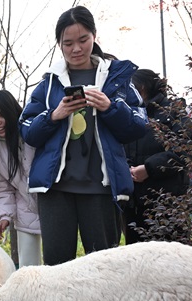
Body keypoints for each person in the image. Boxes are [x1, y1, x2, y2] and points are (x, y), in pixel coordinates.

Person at [19, 6, 149, 266]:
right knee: (56, 268)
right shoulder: (48, 84)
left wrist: (110, 108)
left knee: (104, 268)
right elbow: (27, 131)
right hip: (55, 189)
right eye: (67, 43)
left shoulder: (117, 79)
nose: (76, 49)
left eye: (83, 40)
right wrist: (53, 115)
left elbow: (139, 126)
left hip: (101, 188)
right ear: (59, 44)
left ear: (94, 36)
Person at [123, 69, 192, 244]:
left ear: (142, 87)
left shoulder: (173, 113)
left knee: (171, 253)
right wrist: (126, 167)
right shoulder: (129, 113)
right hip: (134, 202)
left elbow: (187, 149)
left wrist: (149, 169)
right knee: (137, 255)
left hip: (168, 201)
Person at [0, 90, 42, 268]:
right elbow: (2, 187)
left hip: (53, 204)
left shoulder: (33, 132)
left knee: (58, 265)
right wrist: (5, 216)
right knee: (28, 270)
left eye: (0, 115)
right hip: (25, 209)